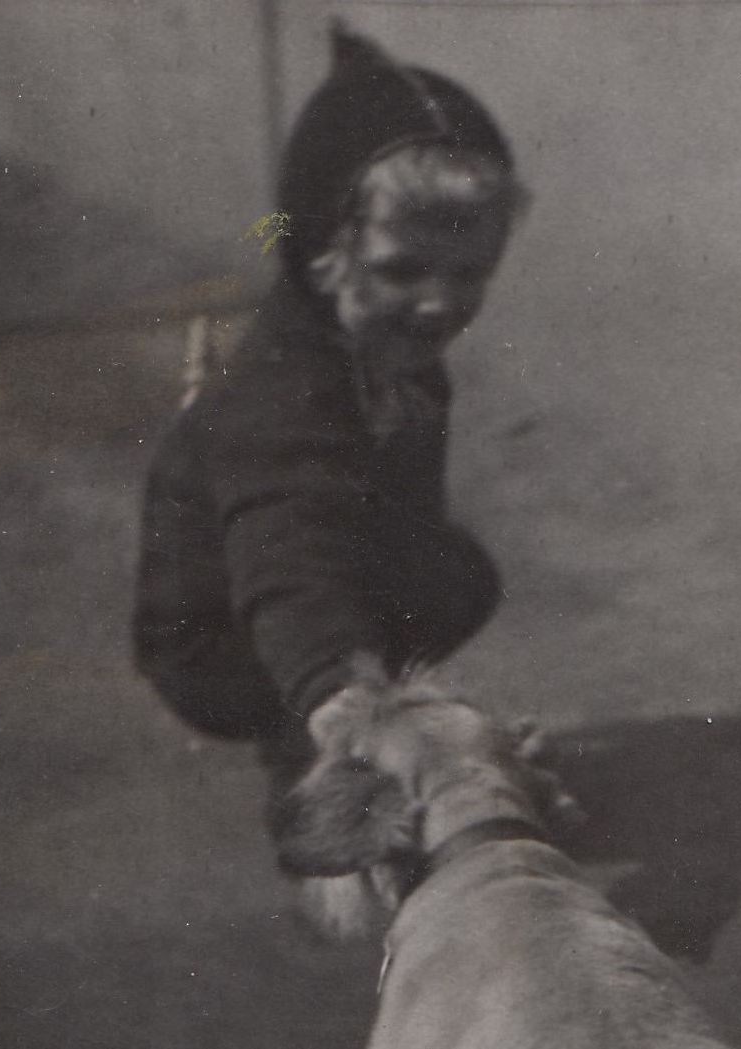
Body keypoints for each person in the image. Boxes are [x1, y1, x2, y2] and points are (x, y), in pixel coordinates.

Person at [133, 25, 525, 819]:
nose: (439, 302)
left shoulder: (392, 347)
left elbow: (402, 507)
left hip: (318, 565)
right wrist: (341, 697)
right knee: (361, 637)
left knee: (457, 578)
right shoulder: (284, 395)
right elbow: (288, 555)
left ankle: (358, 696)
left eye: (470, 272)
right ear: (323, 254)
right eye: (400, 269)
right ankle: (309, 774)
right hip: (223, 635)